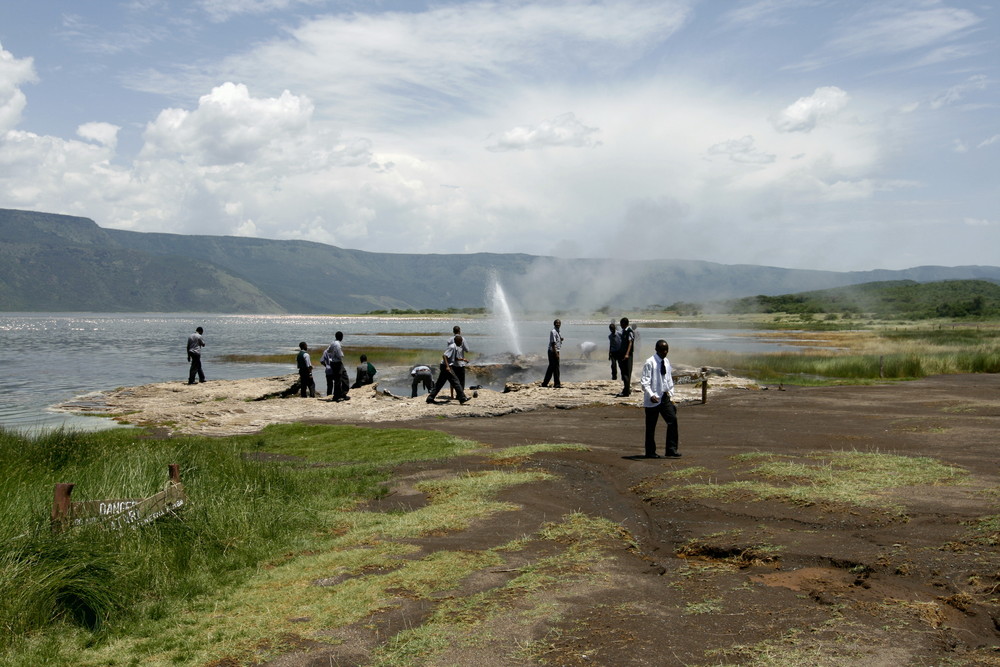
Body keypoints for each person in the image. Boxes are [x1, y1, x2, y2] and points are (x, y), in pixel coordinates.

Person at [640, 339, 680, 459]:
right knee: (651, 426)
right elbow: (644, 382)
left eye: (666, 349)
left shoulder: (666, 361)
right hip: (653, 399)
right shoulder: (650, 362)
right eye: (662, 350)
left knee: (672, 420)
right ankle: (650, 452)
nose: (665, 352)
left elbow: (668, 378)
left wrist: (670, 392)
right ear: (656, 349)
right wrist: (651, 395)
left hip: (664, 397)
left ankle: (671, 449)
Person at [427, 335, 470, 404]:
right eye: (460, 341)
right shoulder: (452, 347)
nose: (461, 343)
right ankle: (462, 398)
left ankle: (430, 398)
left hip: (446, 366)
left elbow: (453, 358)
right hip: (446, 367)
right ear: (457, 341)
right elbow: (444, 356)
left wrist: (462, 359)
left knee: (439, 384)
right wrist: (447, 367)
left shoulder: (456, 347)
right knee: (456, 381)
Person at [325, 331, 349, 401]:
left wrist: (333, 354)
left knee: (338, 379)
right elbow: (340, 355)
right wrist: (341, 355)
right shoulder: (338, 345)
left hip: (333, 363)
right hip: (337, 363)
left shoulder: (332, 343)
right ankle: (340, 395)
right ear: (341, 337)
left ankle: (339, 395)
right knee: (343, 379)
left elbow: (328, 351)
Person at [447, 325, 470, 397]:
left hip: (452, 363)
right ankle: (460, 395)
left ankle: (452, 395)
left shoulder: (449, 339)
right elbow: (467, 350)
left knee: (453, 380)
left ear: (453, 331)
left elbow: (448, 351)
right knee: (461, 380)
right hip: (460, 363)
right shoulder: (462, 339)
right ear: (459, 331)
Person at [541, 319, 563, 388]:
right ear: (554, 324)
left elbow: (556, 341)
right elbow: (553, 343)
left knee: (551, 368)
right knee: (555, 368)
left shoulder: (557, 331)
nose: (558, 324)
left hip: (555, 351)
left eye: (559, 323)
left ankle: (545, 383)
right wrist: (556, 354)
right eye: (556, 323)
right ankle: (557, 384)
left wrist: (560, 339)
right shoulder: (553, 331)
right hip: (553, 351)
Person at [616, 317, 635, 397]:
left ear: (625, 323)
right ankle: (626, 389)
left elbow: (630, 343)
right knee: (624, 373)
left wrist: (627, 354)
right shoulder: (624, 331)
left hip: (627, 355)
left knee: (626, 373)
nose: (620, 325)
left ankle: (626, 392)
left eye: (621, 323)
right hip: (622, 354)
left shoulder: (629, 331)